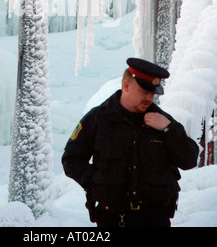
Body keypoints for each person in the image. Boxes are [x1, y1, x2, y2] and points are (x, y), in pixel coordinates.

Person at [62, 57, 199, 228]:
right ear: (126, 85)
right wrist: (95, 181)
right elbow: (71, 159)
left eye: (152, 93)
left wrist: (168, 129)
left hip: (155, 219)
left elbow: (189, 160)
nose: (149, 98)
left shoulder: (164, 122)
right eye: (144, 91)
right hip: (111, 218)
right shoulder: (99, 119)